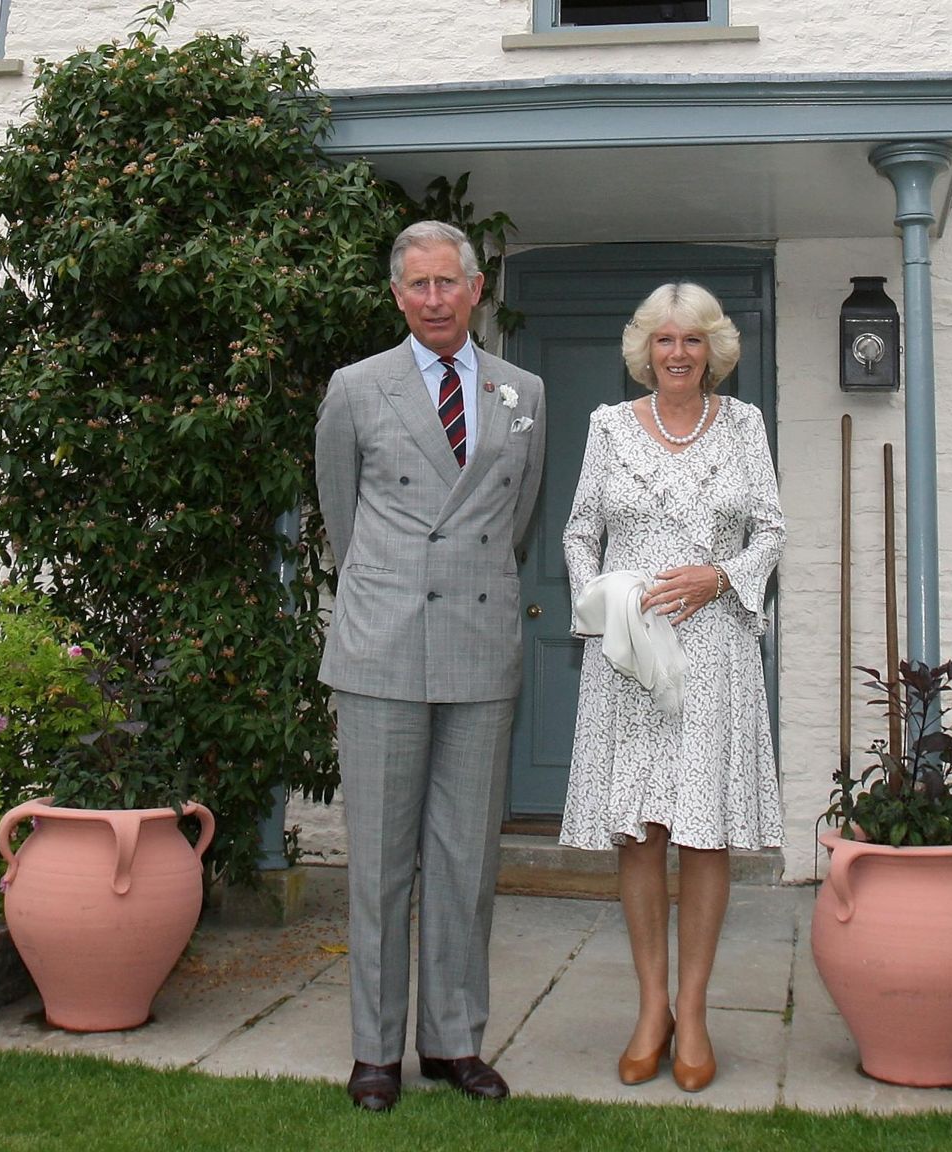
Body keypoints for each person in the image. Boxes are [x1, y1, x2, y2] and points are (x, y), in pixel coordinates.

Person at [314, 220, 546, 1111]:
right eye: (419, 286)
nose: (436, 299)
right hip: (381, 648)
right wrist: (391, 587)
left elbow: (516, 516)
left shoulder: (522, 390)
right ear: (398, 296)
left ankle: (454, 1042)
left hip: (480, 650)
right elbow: (343, 513)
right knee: (379, 863)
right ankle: (375, 1051)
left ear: (476, 289)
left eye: (450, 283)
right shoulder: (356, 388)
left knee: (464, 860)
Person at [558, 282, 786, 1093]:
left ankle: (693, 1012)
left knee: (703, 831)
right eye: (664, 341)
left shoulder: (746, 425)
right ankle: (650, 1007)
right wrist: (602, 604)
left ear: (714, 349)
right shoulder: (608, 427)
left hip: (716, 652)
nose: (678, 354)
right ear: (644, 350)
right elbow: (581, 529)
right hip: (629, 660)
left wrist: (721, 576)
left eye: (692, 340)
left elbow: (771, 529)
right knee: (642, 830)